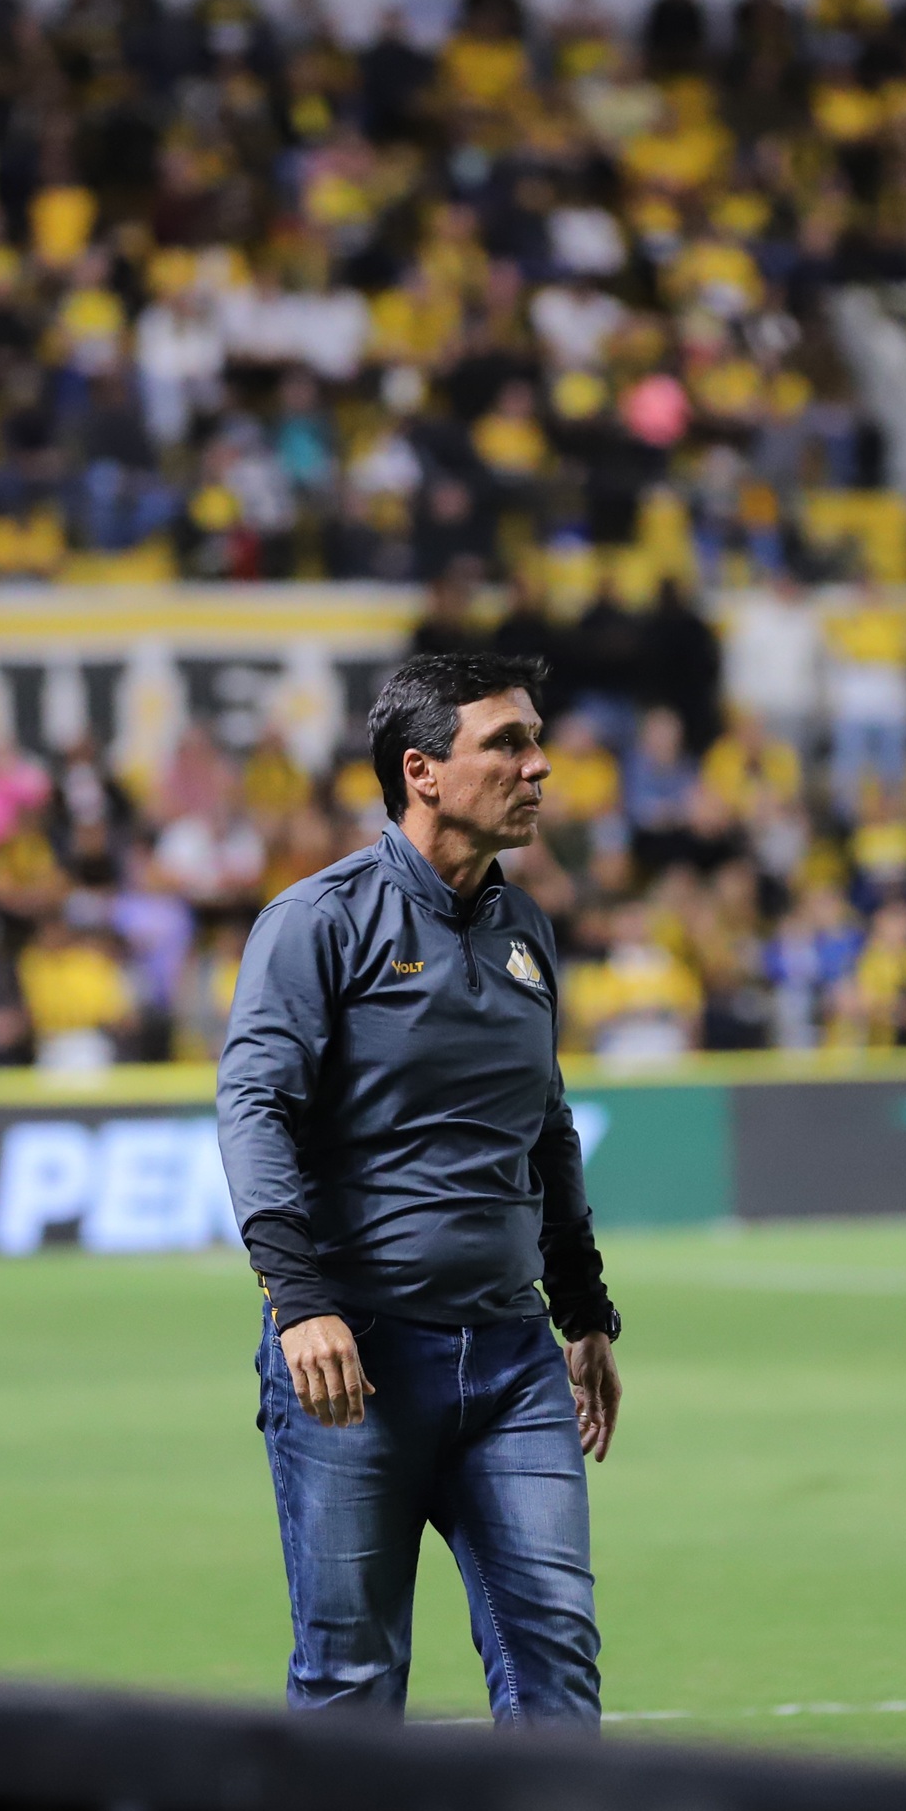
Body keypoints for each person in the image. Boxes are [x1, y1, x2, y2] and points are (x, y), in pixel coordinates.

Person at [216, 652, 623, 1726]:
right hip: (357, 1361)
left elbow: (545, 1126)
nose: (539, 767)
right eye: (507, 744)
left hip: (514, 1359)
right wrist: (299, 1301)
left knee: (557, 1671)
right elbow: (253, 1109)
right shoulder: (317, 920)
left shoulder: (527, 928)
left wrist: (583, 1310)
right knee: (350, 1684)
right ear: (422, 771)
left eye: (537, 741)